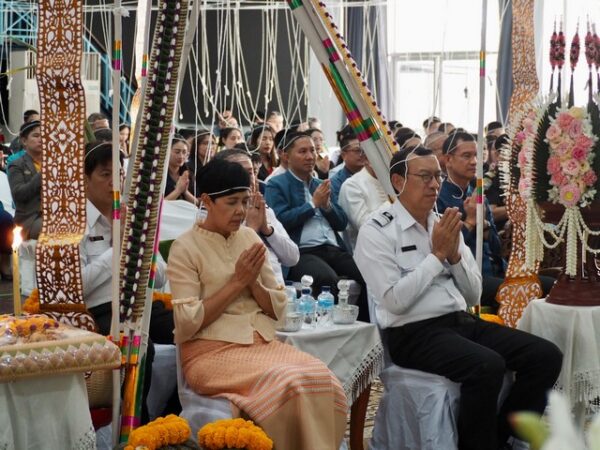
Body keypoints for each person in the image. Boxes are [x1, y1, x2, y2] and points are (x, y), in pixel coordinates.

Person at [354, 146, 562, 450]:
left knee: (545, 355)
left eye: (437, 176)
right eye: (424, 176)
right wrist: (437, 256)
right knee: (486, 365)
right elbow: (394, 301)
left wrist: (453, 258)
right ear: (398, 181)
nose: (434, 185)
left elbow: (473, 294)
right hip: (412, 333)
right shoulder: (377, 230)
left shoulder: (443, 223)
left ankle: (501, 437)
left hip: (459, 321)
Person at [167, 159, 347, 449]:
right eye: (232, 202)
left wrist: (253, 284)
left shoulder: (249, 237)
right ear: (206, 201)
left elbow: (278, 308)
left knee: (321, 377)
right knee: (288, 382)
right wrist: (237, 283)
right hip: (209, 352)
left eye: (244, 201)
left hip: (261, 344)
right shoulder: (185, 247)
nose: (241, 210)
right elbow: (187, 322)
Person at [81, 141, 174, 421]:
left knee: (186, 330)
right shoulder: (76, 223)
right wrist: (117, 249)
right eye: (104, 174)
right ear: (85, 179)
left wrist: (141, 253)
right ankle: (136, 423)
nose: (114, 182)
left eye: (118, 174)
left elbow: (161, 276)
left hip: (140, 302)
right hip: (100, 309)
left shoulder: (133, 217)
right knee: (140, 346)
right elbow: (80, 285)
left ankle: (172, 414)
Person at [265, 131, 369, 321]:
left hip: (333, 249)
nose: (310, 156)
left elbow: (342, 222)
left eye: (312, 150)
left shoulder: (321, 184)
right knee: (327, 279)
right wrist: (312, 205)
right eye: (302, 151)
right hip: (302, 252)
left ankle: (362, 325)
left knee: (369, 273)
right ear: (286, 156)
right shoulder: (276, 185)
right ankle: (331, 329)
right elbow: (280, 221)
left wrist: (327, 206)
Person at [214, 149, 299, 285]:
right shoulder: (214, 214)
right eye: (240, 173)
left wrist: (267, 230)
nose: (250, 179)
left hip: (277, 290)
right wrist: (251, 229)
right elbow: (226, 266)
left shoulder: (261, 207)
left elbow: (293, 258)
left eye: (252, 172)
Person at [338, 157, 389, 249]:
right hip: (371, 248)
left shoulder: (393, 179)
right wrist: (392, 202)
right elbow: (364, 225)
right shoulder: (352, 185)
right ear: (367, 160)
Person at [7, 121, 43, 239]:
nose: (41, 139)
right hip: (30, 218)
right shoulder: (16, 165)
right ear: (24, 141)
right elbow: (19, 194)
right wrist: (42, 174)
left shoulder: (55, 163)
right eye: (36, 136)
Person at [329, 127, 366, 206]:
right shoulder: (335, 183)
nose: (362, 154)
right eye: (357, 150)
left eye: (364, 150)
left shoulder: (374, 175)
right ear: (343, 155)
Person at [164, 135, 197, 204]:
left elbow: (197, 203)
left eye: (184, 152)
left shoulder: (189, 173)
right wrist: (178, 191)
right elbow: (157, 206)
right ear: (167, 151)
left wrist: (185, 192)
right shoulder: (159, 173)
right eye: (177, 152)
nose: (181, 156)